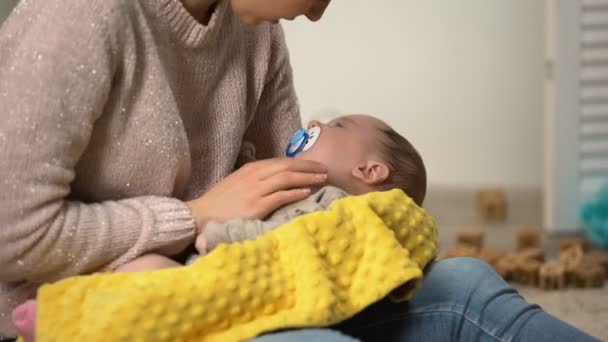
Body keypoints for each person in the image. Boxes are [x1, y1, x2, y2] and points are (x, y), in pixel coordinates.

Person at [0, 0, 600, 341]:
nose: (317, 11)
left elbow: (303, 185)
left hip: (238, 277)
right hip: (103, 308)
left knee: (466, 283)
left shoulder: (257, 35)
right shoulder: (82, 17)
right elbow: (14, 237)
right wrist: (193, 216)